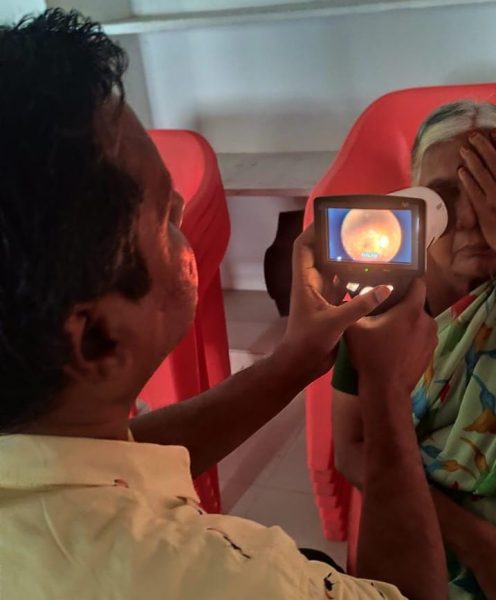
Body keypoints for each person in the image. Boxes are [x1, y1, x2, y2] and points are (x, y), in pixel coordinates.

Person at [0, 9, 447, 600]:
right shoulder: (218, 579)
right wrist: (386, 395)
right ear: (99, 338)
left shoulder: (41, 445)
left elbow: (95, 465)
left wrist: (292, 362)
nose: (185, 211)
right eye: (165, 215)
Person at [332, 101, 496, 599]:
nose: (470, 218)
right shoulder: (380, 304)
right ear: (414, 208)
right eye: (445, 197)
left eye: (490, 189)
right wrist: (475, 543)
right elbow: (351, 448)